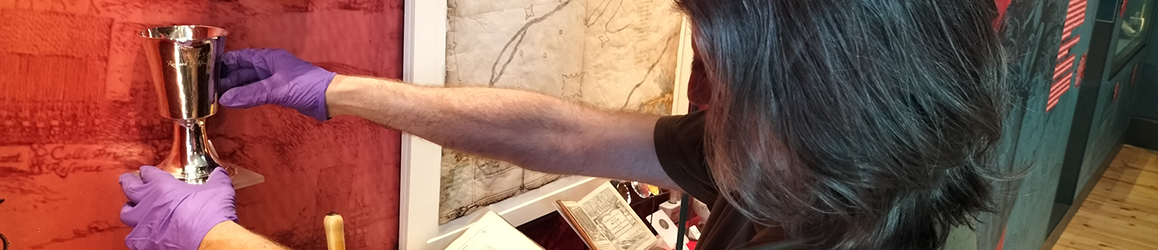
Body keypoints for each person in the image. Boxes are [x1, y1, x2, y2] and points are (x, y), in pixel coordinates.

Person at [118, 0, 1011, 249]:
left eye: (721, 70)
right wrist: (334, 89)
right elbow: (565, 135)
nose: (696, 91)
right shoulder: (803, 162)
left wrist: (214, 241)